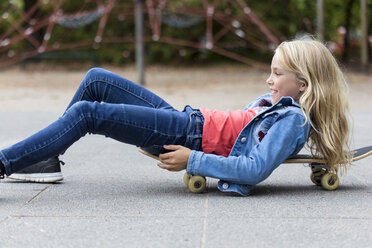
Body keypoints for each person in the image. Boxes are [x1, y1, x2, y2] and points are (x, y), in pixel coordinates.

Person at [0, 39, 351, 196]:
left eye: (276, 75)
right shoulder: (283, 105)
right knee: (97, 79)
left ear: (303, 85)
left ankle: (5, 163)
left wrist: (193, 160)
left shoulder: (293, 121)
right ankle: (45, 159)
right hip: (187, 120)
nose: (268, 81)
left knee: (86, 114)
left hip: (187, 135)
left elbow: (255, 169)